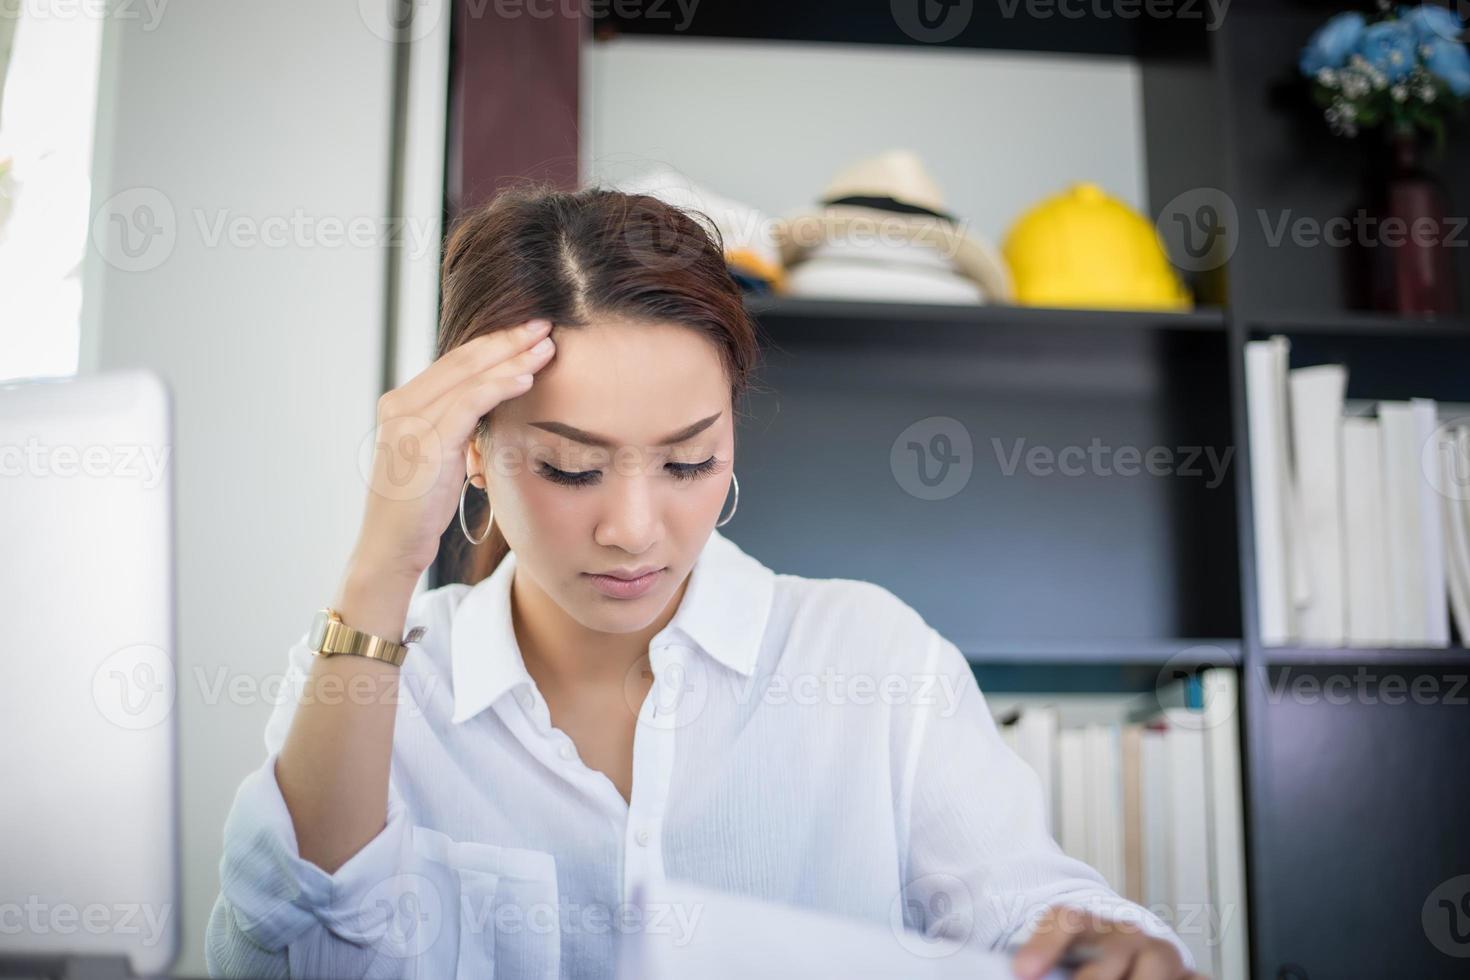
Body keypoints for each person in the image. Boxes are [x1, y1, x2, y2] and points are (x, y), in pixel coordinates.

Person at [204, 184, 1203, 979]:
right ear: (469, 450)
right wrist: (383, 559)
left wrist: (1109, 947)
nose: (634, 527)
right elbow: (284, 956)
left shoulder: (871, 659)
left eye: (687, 460)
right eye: (569, 466)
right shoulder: (381, 685)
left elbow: (1023, 903)